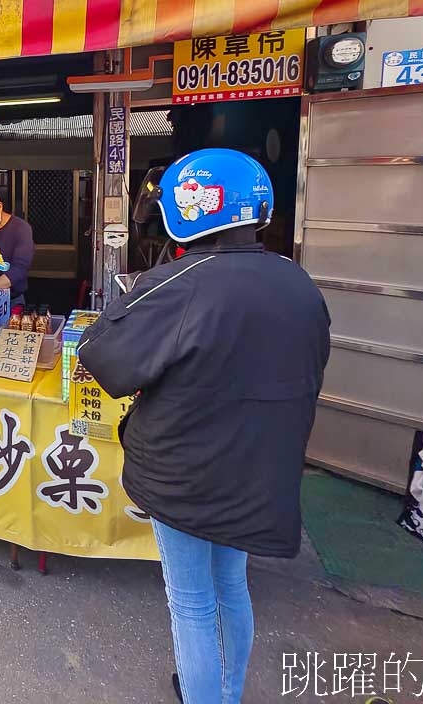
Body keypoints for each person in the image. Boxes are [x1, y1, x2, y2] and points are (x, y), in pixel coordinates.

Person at [76, 148, 330, 704]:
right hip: (260, 472)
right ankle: (227, 691)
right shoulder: (298, 283)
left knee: (191, 602)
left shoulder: (180, 282)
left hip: (186, 474)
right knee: (231, 586)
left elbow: (103, 356)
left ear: (188, 210)